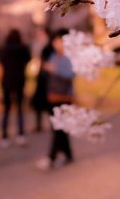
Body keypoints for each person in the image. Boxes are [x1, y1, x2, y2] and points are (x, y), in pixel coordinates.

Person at [36, 29, 74, 170]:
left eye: (60, 41)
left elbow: (70, 74)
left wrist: (53, 69)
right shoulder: (54, 56)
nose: (57, 44)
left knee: (59, 127)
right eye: (55, 41)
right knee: (59, 127)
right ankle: (68, 154)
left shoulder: (69, 57)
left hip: (64, 96)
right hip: (52, 95)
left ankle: (51, 157)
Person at [0, 29, 31, 147]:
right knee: (20, 109)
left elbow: (0, 61)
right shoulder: (23, 48)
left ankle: (4, 136)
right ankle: (20, 134)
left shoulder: (4, 49)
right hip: (19, 81)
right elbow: (28, 60)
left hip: (6, 81)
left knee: (6, 109)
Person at [30, 27, 54, 133]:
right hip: (41, 76)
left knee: (48, 102)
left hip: (47, 78)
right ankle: (40, 124)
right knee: (39, 102)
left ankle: (53, 123)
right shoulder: (37, 43)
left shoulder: (49, 46)